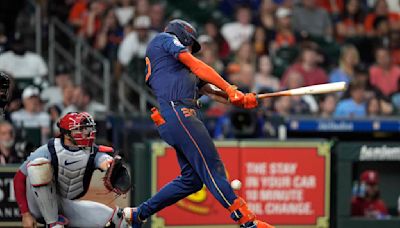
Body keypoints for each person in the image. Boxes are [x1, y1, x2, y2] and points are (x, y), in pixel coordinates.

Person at [123, 19, 273, 228]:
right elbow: (197, 65)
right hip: (179, 112)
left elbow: (211, 91)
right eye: (191, 44)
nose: (191, 50)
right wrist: (230, 88)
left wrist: (243, 98)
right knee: (213, 168)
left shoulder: (175, 68)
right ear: (183, 35)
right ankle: (247, 221)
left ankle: (139, 214)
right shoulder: (164, 40)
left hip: (175, 117)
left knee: (191, 180)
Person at [13, 112, 131, 227]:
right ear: (67, 134)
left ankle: (56, 223)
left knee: (119, 220)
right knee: (38, 165)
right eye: (80, 129)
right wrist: (25, 214)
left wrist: (110, 164)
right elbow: (18, 178)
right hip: (37, 205)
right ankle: (53, 224)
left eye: (87, 129)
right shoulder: (49, 149)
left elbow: (102, 159)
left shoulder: (91, 150)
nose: (86, 132)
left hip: (63, 204)